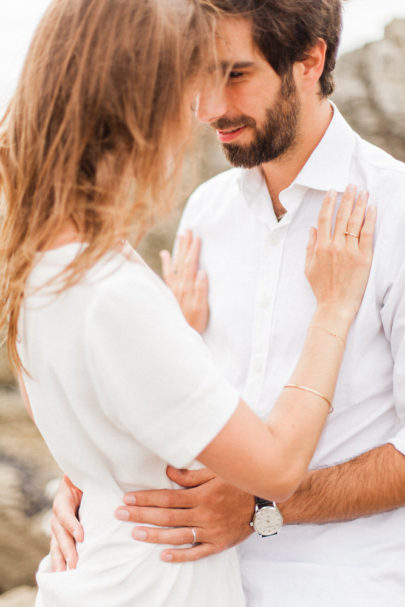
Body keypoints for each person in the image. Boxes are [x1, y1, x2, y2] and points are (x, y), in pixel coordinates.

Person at [0, 0, 375, 606]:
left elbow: (104, 411)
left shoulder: (37, 262)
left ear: (312, 61)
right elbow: (274, 466)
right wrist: (332, 311)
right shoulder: (127, 277)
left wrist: (98, 480)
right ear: (134, 110)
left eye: (232, 74)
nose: (201, 109)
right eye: (188, 83)